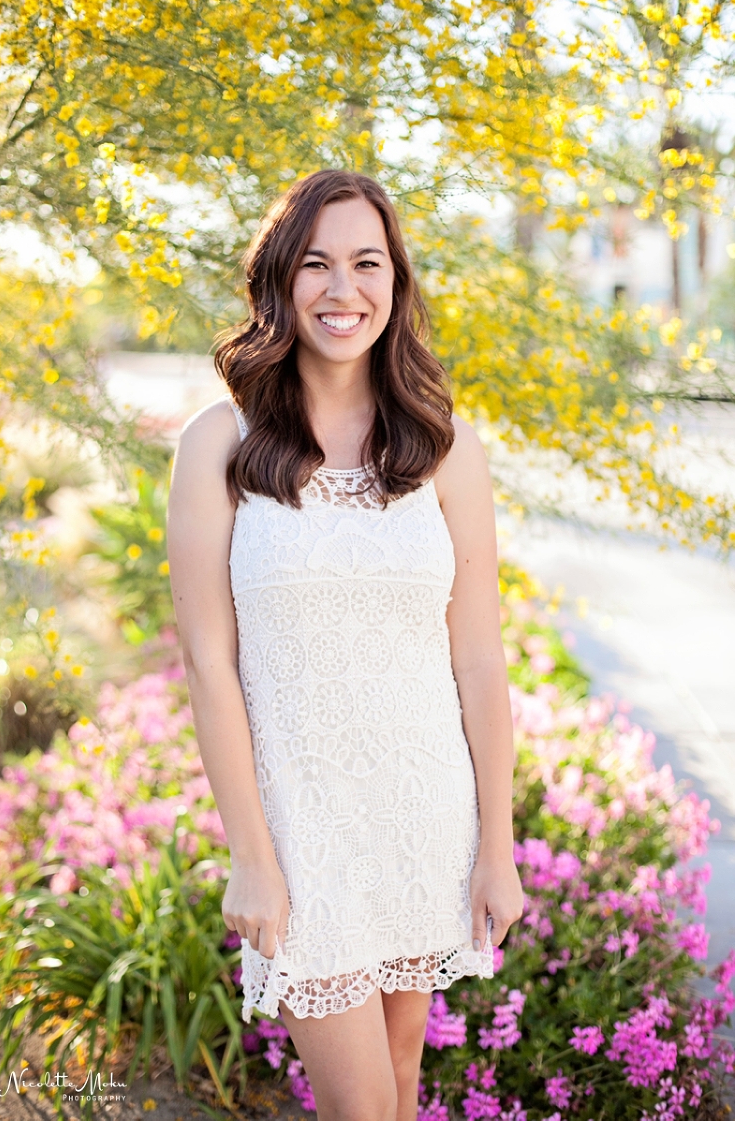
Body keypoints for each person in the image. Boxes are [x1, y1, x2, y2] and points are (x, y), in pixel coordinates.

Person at [166, 169, 524, 1121]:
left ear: (396, 285)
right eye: (316, 264)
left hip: (425, 813)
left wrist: (499, 845)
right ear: (280, 280)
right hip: (303, 831)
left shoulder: (445, 448)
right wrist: (252, 852)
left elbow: (479, 662)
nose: (342, 289)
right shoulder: (220, 442)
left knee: (402, 1091)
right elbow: (210, 660)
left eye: (367, 263)